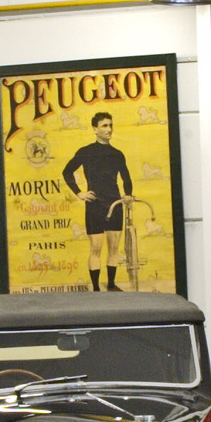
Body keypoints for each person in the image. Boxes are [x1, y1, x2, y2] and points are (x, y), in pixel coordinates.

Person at [61, 111, 133, 291]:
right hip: (95, 205)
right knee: (96, 248)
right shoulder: (86, 152)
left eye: (110, 125)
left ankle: (111, 285)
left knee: (114, 248)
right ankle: (96, 288)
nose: (109, 129)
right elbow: (67, 172)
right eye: (104, 126)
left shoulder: (117, 154)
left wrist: (128, 194)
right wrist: (79, 193)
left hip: (114, 205)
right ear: (95, 129)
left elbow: (126, 178)